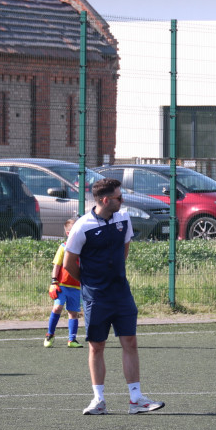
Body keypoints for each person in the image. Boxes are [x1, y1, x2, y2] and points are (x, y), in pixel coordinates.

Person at [62, 178, 165, 415]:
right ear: (105, 200)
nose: (123, 200)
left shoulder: (124, 218)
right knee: (97, 346)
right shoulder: (82, 226)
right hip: (96, 296)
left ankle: (136, 399)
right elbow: (68, 263)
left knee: (130, 342)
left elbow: (125, 248)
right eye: (119, 197)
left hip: (121, 293)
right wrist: (89, 282)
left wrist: (115, 276)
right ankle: (98, 400)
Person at [44, 218, 83, 348]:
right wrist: (54, 282)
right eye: (74, 231)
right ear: (68, 233)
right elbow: (56, 265)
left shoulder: (83, 249)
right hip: (61, 285)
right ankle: (50, 334)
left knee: (73, 312)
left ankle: (72, 340)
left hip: (76, 287)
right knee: (57, 308)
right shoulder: (63, 247)